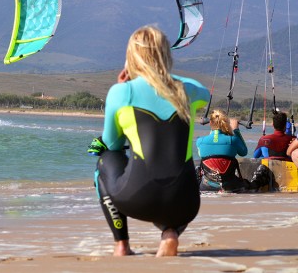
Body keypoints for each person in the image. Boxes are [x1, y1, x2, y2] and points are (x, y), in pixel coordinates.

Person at [89, 26, 210, 257]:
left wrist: (131, 80)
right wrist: (167, 76)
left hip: (137, 198)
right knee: (176, 186)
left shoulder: (121, 92)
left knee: (106, 160)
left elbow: (112, 144)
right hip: (185, 203)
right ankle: (170, 232)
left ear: (131, 57)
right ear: (166, 55)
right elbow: (205, 92)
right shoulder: (187, 91)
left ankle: (121, 244)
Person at [196, 109, 269, 192]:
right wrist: (236, 130)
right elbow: (244, 152)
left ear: (210, 123)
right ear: (226, 124)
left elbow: (205, 152)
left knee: (197, 170)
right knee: (256, 180)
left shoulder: (200, 141)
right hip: (231, 186)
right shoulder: (233, 140)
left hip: (206, 187)